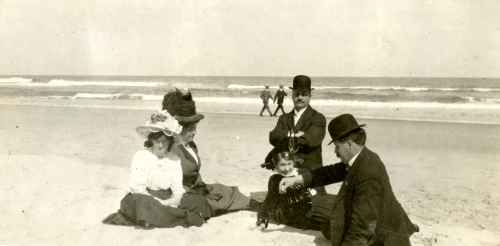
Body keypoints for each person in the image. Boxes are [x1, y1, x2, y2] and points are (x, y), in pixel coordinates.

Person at [279, 114, 419, 246]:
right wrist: (297, 179)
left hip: (384, 239)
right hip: (380, 225)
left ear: (350, 144)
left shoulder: (368, 172)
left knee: (329, 224)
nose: (335, 152)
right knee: (327, 225)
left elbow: (362, 225)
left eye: (337, 146)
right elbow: (329, 173)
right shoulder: (363, 158)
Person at [102, 110, 211, 228]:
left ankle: (162, 217)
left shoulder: (174, 159)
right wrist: (160, 203)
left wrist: (173, 201)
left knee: (200, 201)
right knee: (141, 204)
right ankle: (184, 217)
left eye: (164, 142)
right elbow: (137, 189)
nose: (160, 145)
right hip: (145, 198)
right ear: (152, 141)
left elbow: (177, 188)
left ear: (170, 142)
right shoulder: (141, 156)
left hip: (167, 197)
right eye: (157, 141)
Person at [163, 89, 260, 216]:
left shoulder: (191, 145)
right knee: (208, 203)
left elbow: (195, 173)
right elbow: (168, 181)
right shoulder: (171, 149)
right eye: (190, 129)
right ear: (178, 128)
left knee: (224, 190)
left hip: (196, 188)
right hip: (181, 192)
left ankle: (253, 204)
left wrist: (201, 185)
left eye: (195, 128)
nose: (193, 132)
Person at [267, 75, 327, 194]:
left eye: (303, 94)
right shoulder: (284, 118)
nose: (299, 97)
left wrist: (285, 136)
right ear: (292, 95)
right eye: (296, 94)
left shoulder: (318, 118)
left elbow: (311, 140)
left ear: (310, 95)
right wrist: (295, 134)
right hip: (286, 172)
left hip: (309, 174)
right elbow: (273, 137)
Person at [256, 151, 315, 230]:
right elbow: (270, 200)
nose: (287, 168)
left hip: (302, 206)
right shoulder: (276, 179)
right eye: (282, 165)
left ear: (293, 162)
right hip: (286, 212)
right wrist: (263, 221)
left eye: (289, 164)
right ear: (276, 165)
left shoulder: (297, 172)